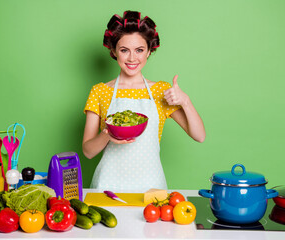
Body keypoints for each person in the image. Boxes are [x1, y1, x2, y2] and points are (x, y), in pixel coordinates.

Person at [82, 11, 205, 192]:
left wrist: (185, 101)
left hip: (151, 187)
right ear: (114, 51)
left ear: (149, 51)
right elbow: (88, 151)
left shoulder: (160, 91)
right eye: (124, 50)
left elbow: (199, 136)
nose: (132, 58)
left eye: (139, 50)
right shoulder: (100, 91)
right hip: (108, 186)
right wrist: (108, 134)